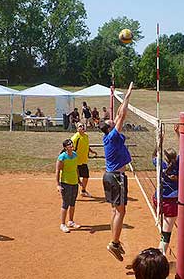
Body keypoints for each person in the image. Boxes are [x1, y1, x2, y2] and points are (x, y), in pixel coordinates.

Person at [99, 82, 133, 262]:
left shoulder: (109, 136)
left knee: (115, 211)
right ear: (109, 128)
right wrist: (127, 95)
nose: (112, 119)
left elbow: (119, 114)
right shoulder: (112, 137)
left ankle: (115, 243)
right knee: (121, 212)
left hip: (110, 176)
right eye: (110, 121)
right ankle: (114, 243)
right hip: (116, 177)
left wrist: (118, 96)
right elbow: (122, 114)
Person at [152, 144, 179, 255]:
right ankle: (161, 257)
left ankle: (158, 217)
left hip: (157, 199)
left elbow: (153, 155)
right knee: (166, 233)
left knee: (162, 222)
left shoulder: (159, 163)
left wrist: (160, 142)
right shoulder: (178, 166)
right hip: (170, 203)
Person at [55, 139, 82, 233]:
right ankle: (62, 224)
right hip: (66, 183)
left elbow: (76, 169)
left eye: (72, 144)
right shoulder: (62, 157)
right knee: (65, 204)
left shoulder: (75, 155)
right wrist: (58, 184)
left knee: (73, 203)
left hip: (74, 182)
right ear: (65, 147)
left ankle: (70, 221)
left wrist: (79, 180)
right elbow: (58, 171)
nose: (71, 146)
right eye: (69, 144)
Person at [71, 122, 96, 198]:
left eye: (83, 126)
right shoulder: (75, 138)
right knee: (75, 179)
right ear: (77, 129)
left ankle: (83, 191)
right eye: (80, 126)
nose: (82, 127)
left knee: (86, 176)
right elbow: (71, 150)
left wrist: (92, 151)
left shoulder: (86, 136)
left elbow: (87, 146)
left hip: (83, 161)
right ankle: (71, 194)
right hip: (76, 161)